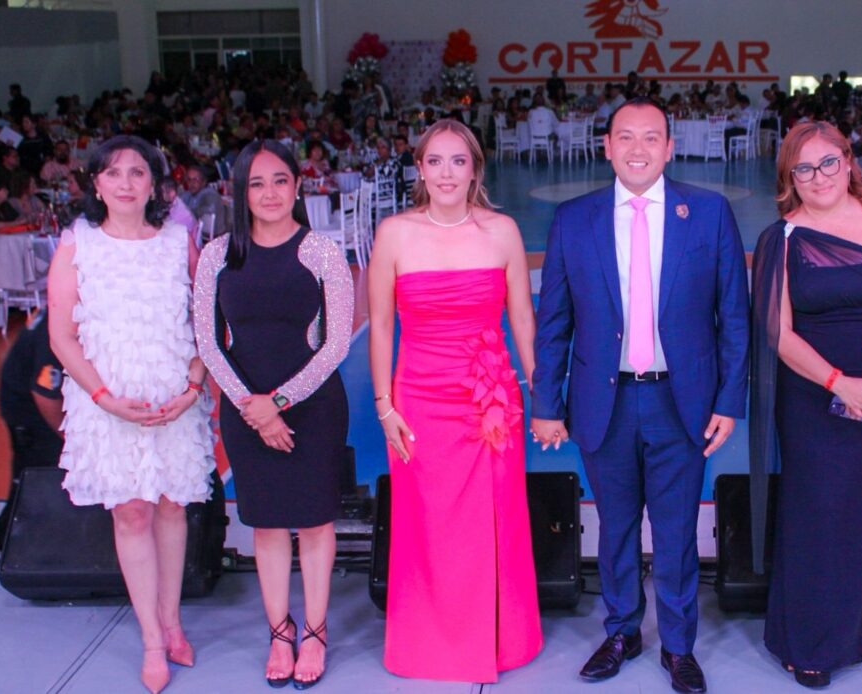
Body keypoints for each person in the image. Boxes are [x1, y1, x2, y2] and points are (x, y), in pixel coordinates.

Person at [531, 97, 750, 693]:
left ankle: (678, 647)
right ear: (606, 146)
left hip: (682, 401)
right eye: (625, 137)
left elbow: (733, 315)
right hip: (603, 402)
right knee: (616, 527)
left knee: (676, 532)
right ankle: (622, 631)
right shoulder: (574, 219)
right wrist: (546, 404)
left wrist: (729, 400)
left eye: (651, 137)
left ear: (670, 148)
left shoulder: (707, 213)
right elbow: (554, 321)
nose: (637, 149)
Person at [367, 118, 542, 682]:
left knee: (496, 518)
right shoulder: (394, 233)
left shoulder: (502, 231)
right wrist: (384, 406)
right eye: (435, 161)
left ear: (475, 170)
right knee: (427, 522)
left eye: (458, 161)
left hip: (489, 400)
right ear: (419, 169)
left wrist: (542, 396)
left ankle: (500, 639)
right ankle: (430, 642)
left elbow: (523, 320)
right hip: (418, 398)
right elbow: (380, 326)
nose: (446, 173)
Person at [750, 121, 862, 689]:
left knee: (855, 509)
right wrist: (835, 382)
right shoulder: (782, 238)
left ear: (848, 163)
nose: (818, 176)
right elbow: (777, 331)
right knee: (814, 512)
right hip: (809, 393)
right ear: (789, 178)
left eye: (828, 163)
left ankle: (850, 632)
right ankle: (805, 640)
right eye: (803, 168)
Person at [47, 135, 215, 694]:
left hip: (174, 399)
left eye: (137, 172)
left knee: (171, 506)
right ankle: (150, 640)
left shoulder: (178, 242)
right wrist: (103, 397)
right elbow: (62, 337)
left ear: (154, 184)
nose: (125, 183)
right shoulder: (77, 245)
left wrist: (193, 386)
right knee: (132, 513)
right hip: (108, 404)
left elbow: (204, 324)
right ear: (95, 184)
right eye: (113, 173)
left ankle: (172, 622)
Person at [193, 139, 353, 689]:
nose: (269, 193)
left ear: (297, 186)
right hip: (244, 408)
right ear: (239, 192)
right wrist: (253, 408)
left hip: (314, 406)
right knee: (265, 523)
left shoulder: (322, 252)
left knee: (314, 520)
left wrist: (278, 403)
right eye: (256, 183)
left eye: (280, 180)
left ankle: (315, 631)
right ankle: (280, 632)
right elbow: (209, 343)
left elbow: (335, 345)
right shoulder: (217, 256)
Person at [0, 309, 63, 554]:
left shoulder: (59, 309)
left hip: (26, 393)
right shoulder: (56, 328)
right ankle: (1, 539)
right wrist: (66, 435)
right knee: (37, 473)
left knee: (37, 471)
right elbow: (44, 393)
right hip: (28, 408)